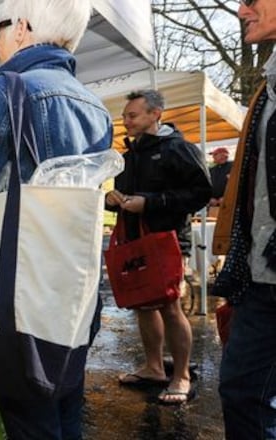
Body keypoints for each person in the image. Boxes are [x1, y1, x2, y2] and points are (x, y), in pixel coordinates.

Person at [0, 0, 112, 437]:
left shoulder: (5, 91)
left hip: (18, 299)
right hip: (73, 294)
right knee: (67, 406)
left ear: (23, 29)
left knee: (30, 421)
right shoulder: (94, 105)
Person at [105, 89, 211, 405]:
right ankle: (154, 368)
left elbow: (201, 193)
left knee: (169, 305)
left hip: (169, 240)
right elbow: (125, 199)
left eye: (132, 115)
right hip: (137, 241)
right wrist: (114, 201)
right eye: (125, 116)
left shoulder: (179, 149)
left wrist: (151, 203)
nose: (125, 121)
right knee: (143, 304)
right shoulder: (128, 155)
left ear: (156, 114)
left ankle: (181, 376)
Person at [213, 2, 276, 437]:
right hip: (262, 276)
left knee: (245, 391)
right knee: (241, 391)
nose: (241, 9)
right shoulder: (268, 85)